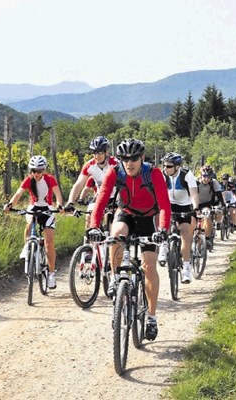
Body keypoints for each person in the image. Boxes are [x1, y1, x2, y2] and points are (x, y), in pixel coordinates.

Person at [86, 138, 171, 341]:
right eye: (125, 158)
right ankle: (116, 279)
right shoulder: (115, 172)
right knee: (115, 235)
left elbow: (164, 205)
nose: (129, 163)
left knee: (149, 266)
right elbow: (102, 198)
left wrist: (162, 229)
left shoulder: (153, 173)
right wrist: (94, 227)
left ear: (141, 158)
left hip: (148, 218)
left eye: (133, 158)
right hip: (127, 213)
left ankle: (151, 317)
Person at [3, 155, 65, 289]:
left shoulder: (49, 179)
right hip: (34, 206)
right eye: (33, 170)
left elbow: (58, 194)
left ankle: (52, 274)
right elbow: (18, 194)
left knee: (49, 242)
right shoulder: (29, 180)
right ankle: (27, 247)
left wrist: (60, 206)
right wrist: (10, 205)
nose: (36, 173)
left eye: (39, 170)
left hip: (48, 208)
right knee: (30, 223)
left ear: (44, 170)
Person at [158, 152, 200, 284]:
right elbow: (157, 191)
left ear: (177, 167)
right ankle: (163, 246)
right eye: (164, 166)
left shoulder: (187, 175)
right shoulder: (163, 174)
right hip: (168, 205)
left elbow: (193, 194)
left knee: (186, 233)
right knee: (162, 225)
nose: (166, 169)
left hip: (184, 207)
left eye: (169, 166)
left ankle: (186, 268)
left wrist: (196, 207)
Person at [64, 136, 117, 228]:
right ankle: (88, 241)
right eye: (94, 152)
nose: (97, 156)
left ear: (106, 152)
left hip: (116, 198)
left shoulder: (115, 164)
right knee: (89, 218)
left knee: (116, 226)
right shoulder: (89, 165)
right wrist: (70, 202)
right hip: (100, 196)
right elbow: (79, 184)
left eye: (100, 152)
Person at [195, 165, 225, 251]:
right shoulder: (195, 182)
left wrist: (222, 204)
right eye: (205, 176)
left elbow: (219, 194)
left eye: (209, 177)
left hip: (206, 204)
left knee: (207, 216)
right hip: (195, 204)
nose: (207, 179)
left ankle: (207, 239)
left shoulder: (213, 182)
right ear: (201, 175)